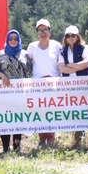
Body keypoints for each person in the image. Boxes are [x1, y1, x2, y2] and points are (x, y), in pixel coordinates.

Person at [0, 29, 33, 153]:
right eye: (10, 38)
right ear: (7, 40)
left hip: (21, 93)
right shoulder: (0, 54)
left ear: (19, 40)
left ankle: (17, 147)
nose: (13, 40)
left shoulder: (25, 54)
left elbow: (30, 72)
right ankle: (5, 148)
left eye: (15, 38)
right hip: (4, 93)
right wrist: (2, 75)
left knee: (17, 119)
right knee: (6, 119)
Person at [26, 18, 61, 147]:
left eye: (45, 29)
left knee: (51, 112)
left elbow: (61, 63)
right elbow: (27, 64)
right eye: (40, 30)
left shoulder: (57, 45)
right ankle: (41, 138)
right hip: (38, 83)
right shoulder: (32, 46)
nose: (43, 32)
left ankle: (51, 138)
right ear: (37, 32)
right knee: (40, 112)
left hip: (53, 82)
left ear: (50, 31)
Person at [57, 25, 88, 149]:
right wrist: (77, 66)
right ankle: (78, 140)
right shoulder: (62, 51)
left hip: (85, 86)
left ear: (78, 36)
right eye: (68, 36)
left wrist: (70, 65)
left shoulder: (85, 48)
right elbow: (61, 68)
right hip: (70, 88)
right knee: (77, 113)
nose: (70, 38)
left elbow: (86, 63)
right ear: (65, 38)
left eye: (73, 35)